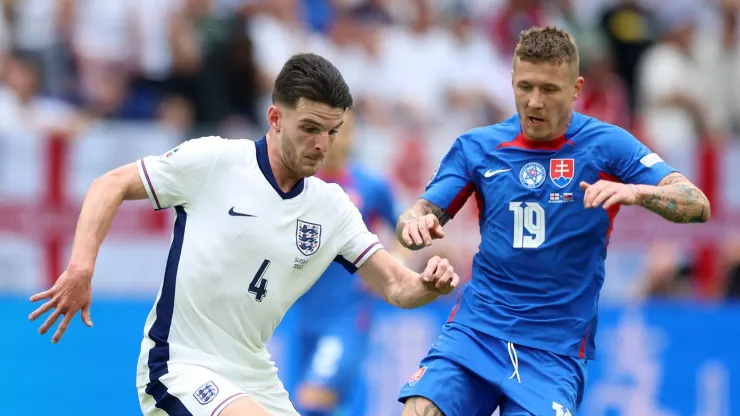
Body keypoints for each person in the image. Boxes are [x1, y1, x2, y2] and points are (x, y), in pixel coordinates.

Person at [27, 53, 460, 416]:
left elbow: (397, 287)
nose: (322, 145)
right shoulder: (214, 161)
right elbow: (110, 184)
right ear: (274, 118)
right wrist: (82, 266)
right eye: (309, 128)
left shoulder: (333, 208)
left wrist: (428, 283)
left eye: (332, 132)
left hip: (252, 372)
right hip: (179, 363)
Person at [395, 26, 710, 416]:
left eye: (549, 89)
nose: (534, 101)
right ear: (511, 80)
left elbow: (696, 203)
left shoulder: (607, 145)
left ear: (576, 88)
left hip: (553, 351)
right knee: (419, 410)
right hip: (477, 332)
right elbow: (420, 213)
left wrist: (637, 192)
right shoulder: (477, 147)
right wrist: (413, 225)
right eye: (524, 86)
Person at [294, 109, 400, 416]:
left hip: (348, 316)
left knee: (314, 398)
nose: (330, 140)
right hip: (305, 316)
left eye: (338, 131)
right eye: (322, 130)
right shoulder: (302, 187)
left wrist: (385, 271)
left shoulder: (371, 186)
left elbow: (407, 233)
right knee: (307, 405)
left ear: (351, 137)